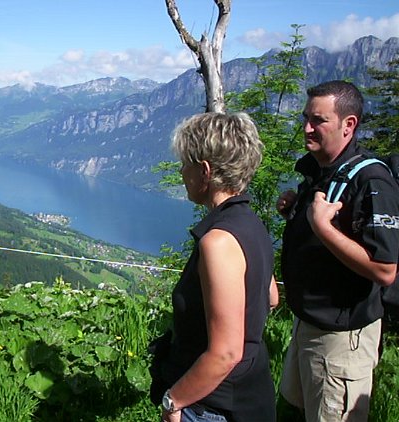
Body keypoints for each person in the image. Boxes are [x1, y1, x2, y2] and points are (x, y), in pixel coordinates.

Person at [277, 80, 399, 421]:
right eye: (306, 118)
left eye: (318, 120)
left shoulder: (372, 181)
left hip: (341, 340)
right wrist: (296, 213)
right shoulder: (324, 172)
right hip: (308, 326)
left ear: (349, 125)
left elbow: (385, 269)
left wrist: (322, 227)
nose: (307, 128)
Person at [155, 112, 278, 422]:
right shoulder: (252, 225)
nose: (181, 171)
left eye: (186, 163)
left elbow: (225, 353)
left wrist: (173, 400)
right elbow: (272, 297)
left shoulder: (218, 242)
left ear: (205, 171)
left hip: (211, 406)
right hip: (250, 391)